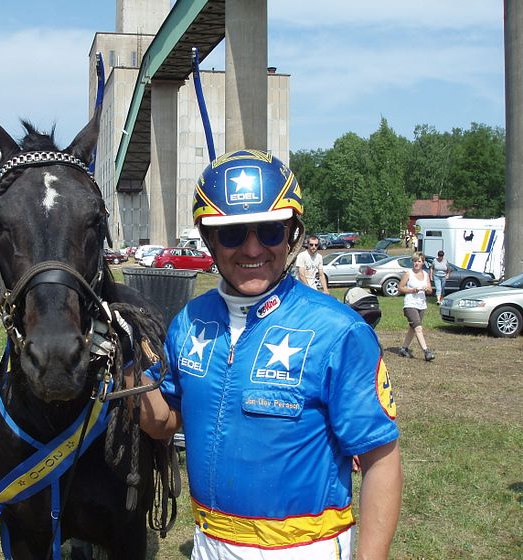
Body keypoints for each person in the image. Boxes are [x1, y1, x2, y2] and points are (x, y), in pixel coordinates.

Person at [120, 150, 403, 559]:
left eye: (270, 231)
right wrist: (125, 358)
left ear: (292, 233)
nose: (252, 248)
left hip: (303, 549)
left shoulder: (339, 331)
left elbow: (381, 459)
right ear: (209, 239)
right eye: (233, 234)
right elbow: (163, 422)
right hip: (208, 544)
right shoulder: (190, 322)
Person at [398, 252, 435, 361]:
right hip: (410, 304)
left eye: (419, 261)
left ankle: (404, 349)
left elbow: (430, 289)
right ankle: (426, 351)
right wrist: (411, 290)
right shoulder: (408, 273)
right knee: (418, 327)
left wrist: (428, 290)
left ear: (423, 262)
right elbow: (400, 288)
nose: (416, 263)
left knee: (413, 328)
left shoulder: (425, 274)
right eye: (415, 261)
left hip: (421, 304)